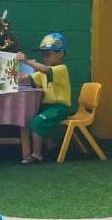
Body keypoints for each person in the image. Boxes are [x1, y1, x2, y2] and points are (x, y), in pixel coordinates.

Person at [18, 32, 72, 164]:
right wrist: (6, 77)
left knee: (37, 123)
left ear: (60, 53)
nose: (45, 57)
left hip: (60, 108)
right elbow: (26, 79)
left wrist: (26, 61)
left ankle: (37, 155)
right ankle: (51, 146)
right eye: (43, 54)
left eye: (48, 54)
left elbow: (45, 70)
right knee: (31, 118)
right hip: (49, 107)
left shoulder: (61, 69)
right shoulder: (42, 72)